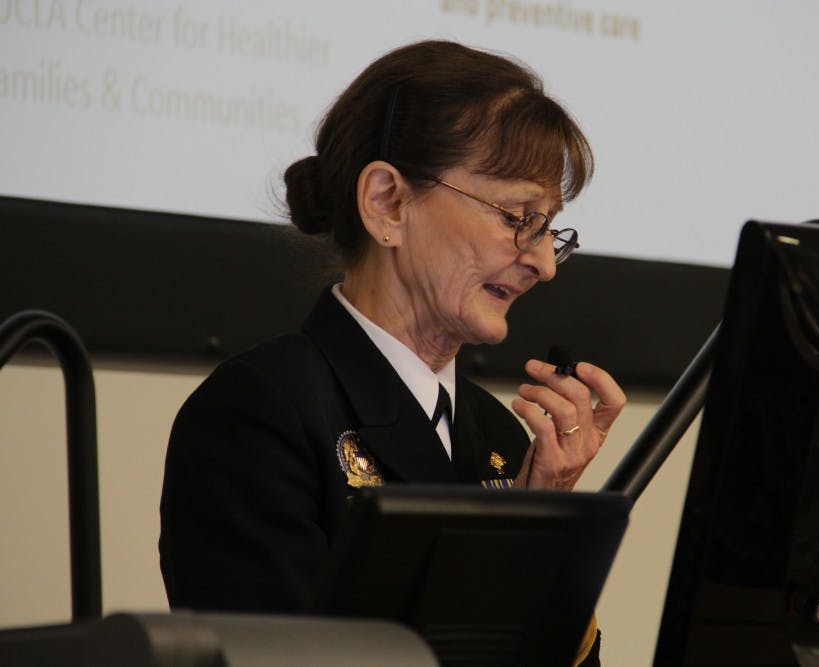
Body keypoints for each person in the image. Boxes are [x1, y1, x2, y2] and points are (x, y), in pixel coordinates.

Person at [158, 40, 626, 664]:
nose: (544, 264)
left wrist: (543, 524)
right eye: (519, 217)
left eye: (551, 231)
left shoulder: (504, 439)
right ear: (388, 203)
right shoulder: (259, 414)